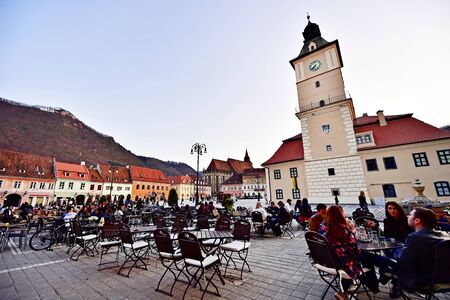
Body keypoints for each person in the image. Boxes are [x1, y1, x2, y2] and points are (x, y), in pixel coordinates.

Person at [319, 205, 368, 298]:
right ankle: (373, 284)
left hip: (328, 260)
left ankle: (345, 290)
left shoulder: (322, 226)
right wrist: (352, 231)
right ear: (340, 215)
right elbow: (355, 246)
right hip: (342, 262)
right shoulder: (343, 228)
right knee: (366, 257)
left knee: (366, 257)